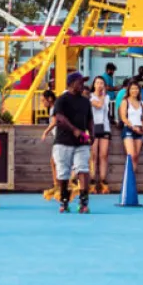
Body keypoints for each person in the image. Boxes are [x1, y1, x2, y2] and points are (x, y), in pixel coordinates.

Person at [53, 72, 93, 214]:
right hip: (63, 141)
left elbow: (90, 119)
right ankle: (64, 200)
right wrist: (74, 129)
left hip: (81, 142)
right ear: (71, 83)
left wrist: (92, 134)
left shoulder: (86, 101)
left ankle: (83, 202)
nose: (83, 85)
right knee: (63, 173)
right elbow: (59, 117)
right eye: (80, 82)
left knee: (83, 169)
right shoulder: (61, 99)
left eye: (83, 82)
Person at [90, 76, 111, 194]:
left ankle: (103, 179)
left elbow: (107, 111)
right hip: (93, 128)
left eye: (102, 83)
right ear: (94, 84)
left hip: (105, 127)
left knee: (104, 154)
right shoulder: (90, 96)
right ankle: (92, 180)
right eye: (97, 82)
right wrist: (102, 96)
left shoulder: (107, 97)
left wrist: (104, 96)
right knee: (93, 155)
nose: (99, 85)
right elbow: (98, 105)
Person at [119, 80, 143, 172]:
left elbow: (142, 117)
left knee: (136, 156)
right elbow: (123, 117)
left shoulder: (140, 103)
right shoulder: (125, 101)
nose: (135, 90)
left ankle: (132, 176)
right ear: (129, 90)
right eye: (132, 89)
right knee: (131, 155)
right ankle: (128, 176)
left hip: (139, 130)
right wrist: (133, 127)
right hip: (128, 129)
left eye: (136, 88)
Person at [40, 90, 58, 200]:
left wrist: (45, 132)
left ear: (50, 99)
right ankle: (57, 183)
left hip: (60, 137)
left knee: (54, 161)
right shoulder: (52, 109)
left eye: (43, 100)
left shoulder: (55, 108)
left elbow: (54, 122)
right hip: (58, 137)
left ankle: (58, 184)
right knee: (53, 161)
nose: (42, 103)